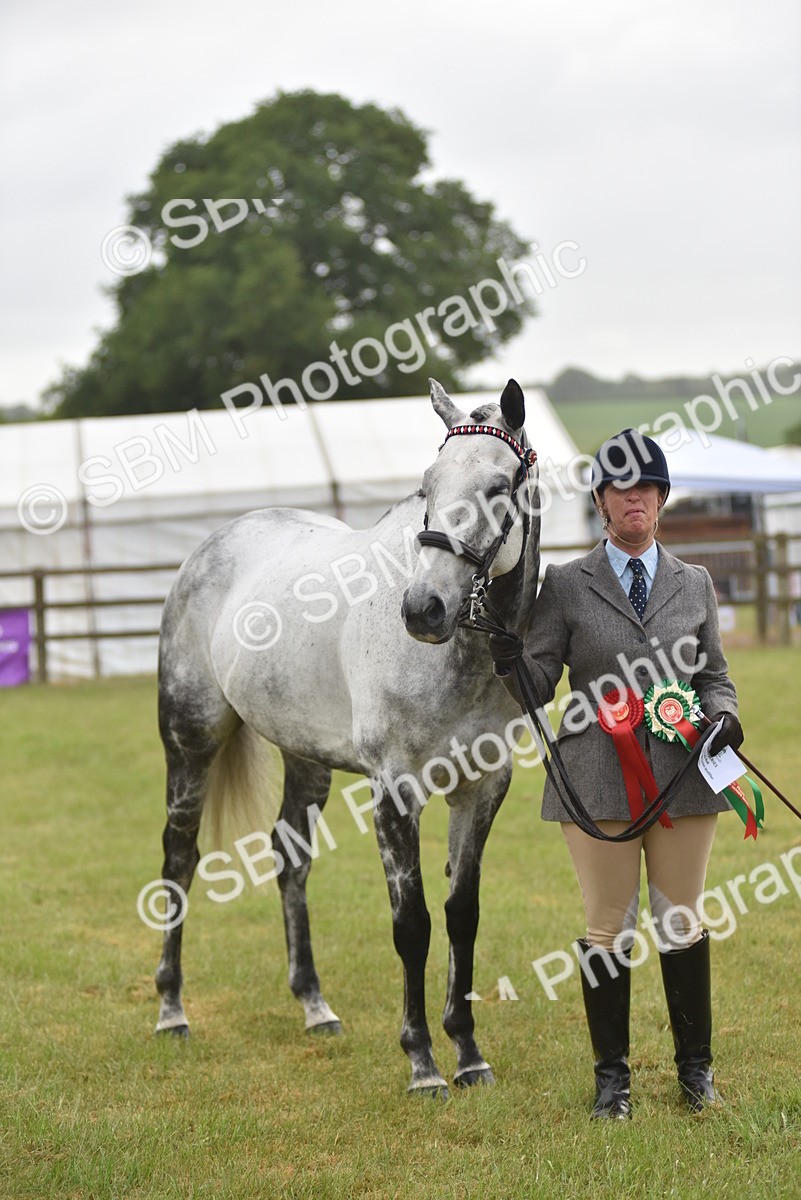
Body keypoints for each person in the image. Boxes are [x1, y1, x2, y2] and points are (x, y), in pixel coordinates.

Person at [490, 428, 744, 1119]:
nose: (636, 498)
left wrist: (724, 715)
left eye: (647, 488)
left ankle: (696, 1073)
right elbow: (539, 682)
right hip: (595, 775)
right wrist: (511, 660)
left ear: (661, 500)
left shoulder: (694, 583)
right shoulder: (565, 584)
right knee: (608, 925)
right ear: (602, 502)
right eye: (620, 488)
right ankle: (613, 1083)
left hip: (684, 775)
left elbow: (714, 676)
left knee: (680, 919)